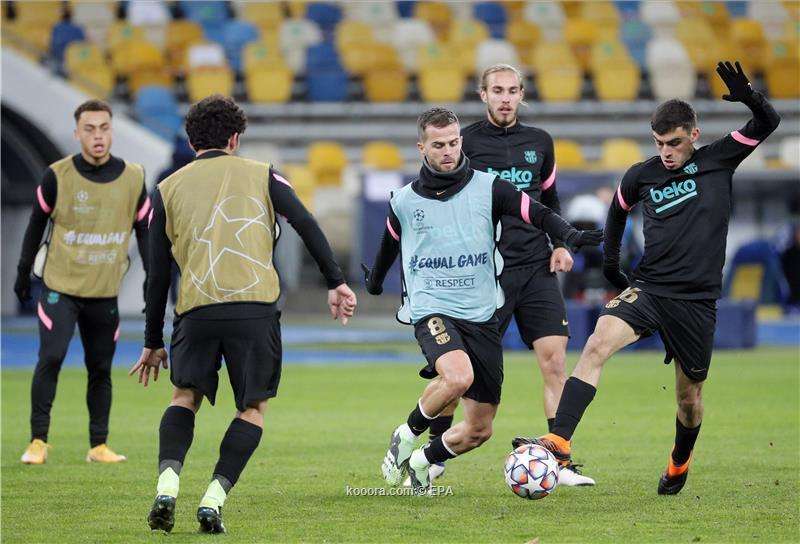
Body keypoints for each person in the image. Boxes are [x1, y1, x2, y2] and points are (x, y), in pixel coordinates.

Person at [516, 61, 780, 495]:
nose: (666, 152)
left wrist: (750, 96)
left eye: (674, 143)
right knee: (597, 343)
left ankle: (679, 461)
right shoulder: (643, 175)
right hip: (650, 288)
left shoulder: (719, 158)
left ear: (693, 135)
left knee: (689, 399)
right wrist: (611, 264)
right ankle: (559, 442)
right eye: (659, 143)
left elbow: (769, 122)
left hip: (696, 301)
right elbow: (617, 211)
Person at [130, 95, 357, 534]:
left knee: (183, 398)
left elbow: (156, 275)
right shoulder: (264, 174)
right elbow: (306, 222)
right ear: (235, 139)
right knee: (252, 408)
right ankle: (213, 499)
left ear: (191, 141)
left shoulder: (166, 189)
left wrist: (152, 341)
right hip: (254, 311)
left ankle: (167, 486)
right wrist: (336, 281)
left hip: (196, 310)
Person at [362, 107, 602, 493]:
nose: (447, 151)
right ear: (421, 148)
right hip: (432, 307)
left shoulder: (489, 188)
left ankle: (424, 460)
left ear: (461, 141)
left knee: (479, 430)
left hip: (481, 311)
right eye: (438, 145)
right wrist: (374, 282)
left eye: (453, 143)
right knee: (458, 376)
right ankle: (406, 435)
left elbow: (536, 211)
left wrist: (569, 236)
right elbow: (389, 244)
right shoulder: (404, 200)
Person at [418, 64, 595, 486]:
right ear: (483, 94)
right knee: (457, 370)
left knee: (555, 361)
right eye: (497, 90)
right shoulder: (465, 143)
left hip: (536, 267)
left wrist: (560, 244)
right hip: (484, 275)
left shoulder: (540, 142)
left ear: (521, 94)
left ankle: (559, 459)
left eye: (512, 90)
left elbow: (549, 198)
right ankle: (435, 452)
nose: (505, 98)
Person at [15, 99, 150, 465]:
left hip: (104, 292)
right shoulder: (57, 176)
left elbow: (144, 230)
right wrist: (23, 273)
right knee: (51, 358)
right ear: (77, 134)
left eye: (104, 128)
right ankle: (38, 442)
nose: (97, 136)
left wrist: (153, 278)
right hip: (60, 288)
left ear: (112, 131)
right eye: (89, 129)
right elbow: (35, 225)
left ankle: (99, 445)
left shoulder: (133, 177)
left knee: (100, 368)